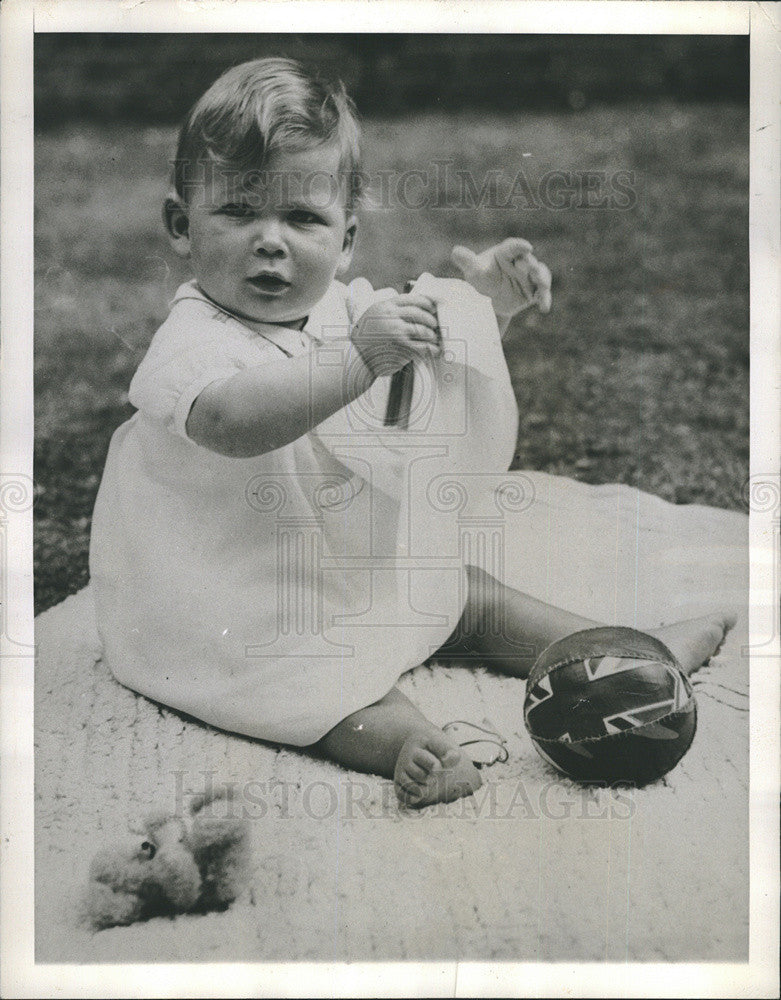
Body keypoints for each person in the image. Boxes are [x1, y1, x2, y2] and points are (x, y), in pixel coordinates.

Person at [89, 57, 734, 808]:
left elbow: (418, 370)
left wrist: (482, 306)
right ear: (181, 225)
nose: (272, 242)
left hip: (335, 559)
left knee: (462, 595)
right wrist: (359, 356)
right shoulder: (192, 341)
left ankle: (624, 655)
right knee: (301, 678)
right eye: (238, 211)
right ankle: (404, 740)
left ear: (347, 237)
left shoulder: (342, 311)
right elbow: (236, 423)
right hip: (231, 596)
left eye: (303, 218)